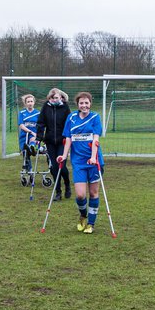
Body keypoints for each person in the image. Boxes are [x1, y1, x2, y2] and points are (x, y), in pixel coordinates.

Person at [59, 91, 103, 234]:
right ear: (77, 105)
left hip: (94, 161)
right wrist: (64, 156)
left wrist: (93, 157)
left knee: (93, 192)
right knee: (80, 195)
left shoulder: (95, 117)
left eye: (86, 103)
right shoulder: (71, 118)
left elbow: (96, 139)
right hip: (78, 162)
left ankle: (91, 223)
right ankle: (83, 215)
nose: (84, 105)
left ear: (90, 104)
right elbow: (68, 139)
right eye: (81, 103)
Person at [36, 87, 71, 199]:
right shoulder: (46, 106)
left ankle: (67, 185)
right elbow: (41, 122)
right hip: (50, 141)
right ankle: (58, 191)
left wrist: (69, 137)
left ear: (61, 97)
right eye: (51, 98)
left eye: (56, 97)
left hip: (62, 141)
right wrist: (39, 137)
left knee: (62, 166)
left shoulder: (65, 107)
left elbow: (69, 123)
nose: (54, 100)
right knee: (53, 167)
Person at [16, 94, 41, 185]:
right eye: (28, 102)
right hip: (24, 135)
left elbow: (40, 125)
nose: (30, 103)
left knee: (33, 140)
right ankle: (30, 171)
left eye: (31, 101)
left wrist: (37, 133)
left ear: (34, 102)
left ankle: (32, 147)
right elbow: (21, 125)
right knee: (25, 154)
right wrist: (30, 131)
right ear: (25, 103)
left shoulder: (38, 113)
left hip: (34, 135)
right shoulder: (22, 113)